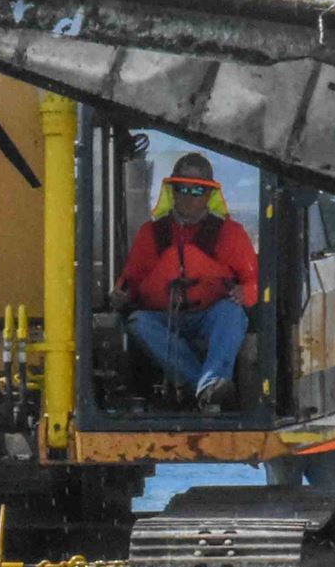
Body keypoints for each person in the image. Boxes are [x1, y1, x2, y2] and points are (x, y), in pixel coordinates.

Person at [109, 152, 258, 411]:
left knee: (233, 314)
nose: (189, 195)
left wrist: (246, 292)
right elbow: (130, 281)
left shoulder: (231, 234)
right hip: (163, 318)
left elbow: (254, 282)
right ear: (173, 192)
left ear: (209, 195)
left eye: (197, 189)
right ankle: (207, 388)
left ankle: (208, 383)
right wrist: (120, 295)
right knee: (137, 322)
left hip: (210, 317)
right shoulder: (150, 234)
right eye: (182, 188)